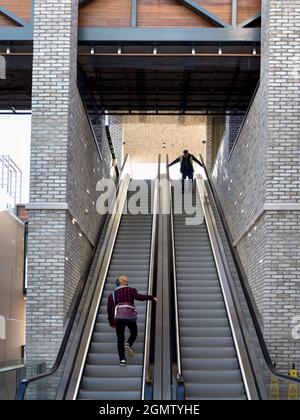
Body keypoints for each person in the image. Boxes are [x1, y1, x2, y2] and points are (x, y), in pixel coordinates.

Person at [107, 275, 157, 366]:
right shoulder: (131, 290)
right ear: (126, 283)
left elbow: (110, 309)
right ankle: (129, 344)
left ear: (117, 283)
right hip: (130, 318)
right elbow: (140, 297)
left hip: (119, 319)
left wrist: (111, 321)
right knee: (134, 333)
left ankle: (122, 359)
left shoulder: (112, 295)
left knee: (120, 339)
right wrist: (151, 298)